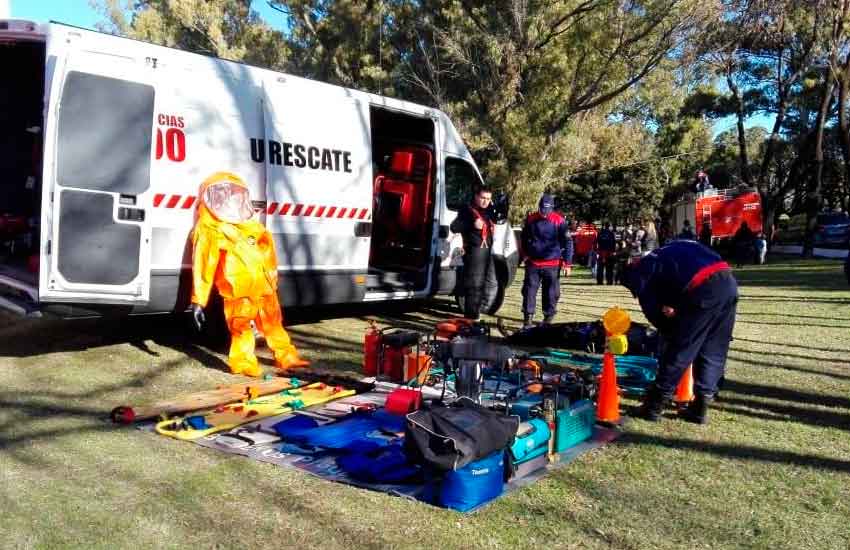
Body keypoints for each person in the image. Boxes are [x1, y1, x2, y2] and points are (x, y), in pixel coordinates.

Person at [190, 172, 309, 376]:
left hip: (264, 287)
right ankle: (244, 362)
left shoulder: (252, 226)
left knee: (273, 324)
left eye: (231, 194)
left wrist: (272, 281)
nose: (227, 199)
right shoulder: (209, 228)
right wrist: (198, 300)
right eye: (221, 195)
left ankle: (287, 356)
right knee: (241, 327)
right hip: (238, 289)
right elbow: (203, 265)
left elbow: (268, 254)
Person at [620, 240, 738, 424]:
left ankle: (654, 405)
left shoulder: (642, 268)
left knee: (681, 349)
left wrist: (669, 330)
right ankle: (700, 407)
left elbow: (652, 308)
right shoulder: (668, 252)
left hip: (704, 288)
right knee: (713, 348)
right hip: (728, 283)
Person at [520, 194, 570, 328]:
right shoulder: (531, 219)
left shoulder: (559, 221)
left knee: (551, 293)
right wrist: (524, 254)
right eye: (542, 209)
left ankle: (548, 318)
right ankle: (528, 319)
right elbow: (524, 238)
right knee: (529, 291)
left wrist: (567, 263)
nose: (544, 213)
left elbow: (567, 243)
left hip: (552, 264)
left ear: (552, 208)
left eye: (546, 210)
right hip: (533, 263)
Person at [450, 185, 497, 320]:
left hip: (487, 252)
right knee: (474, 285)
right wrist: (472, 224)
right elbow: (454, 227)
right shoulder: (467, 210)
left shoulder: (489, 210)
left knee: (486, 284)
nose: (485, 201)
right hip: (474, 252)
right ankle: (471, 317)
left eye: (488, 199)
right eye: (483, 198)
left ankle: (476, 313)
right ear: (476, 196)